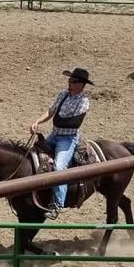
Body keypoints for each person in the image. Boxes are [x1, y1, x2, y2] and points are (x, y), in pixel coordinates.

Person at [29, 68, 93, 220]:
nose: (70, 83)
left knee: (59, 168)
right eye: (70, 80)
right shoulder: (62, 95)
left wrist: (56, 121)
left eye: (74, 81)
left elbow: (74, 123)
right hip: (55, 135)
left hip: (68, 139)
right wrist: (37, 122)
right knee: (31, 154)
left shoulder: (83, 101)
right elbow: (51, 111)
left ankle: (57, 205)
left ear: (82, 85)